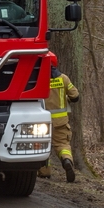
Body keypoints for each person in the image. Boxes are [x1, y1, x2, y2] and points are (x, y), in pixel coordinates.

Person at [39, 51, 80, 183]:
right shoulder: (63, 78)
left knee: (41, 146)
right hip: (61, 121)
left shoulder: (37, 78)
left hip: (41, 122)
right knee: (62, 144)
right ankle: (67, 160)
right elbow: (75, 96)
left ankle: (44, 172)